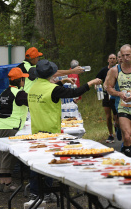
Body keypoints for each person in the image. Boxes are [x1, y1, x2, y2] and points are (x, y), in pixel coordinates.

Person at [28, 59, 101, 200]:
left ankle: (34, 193)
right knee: (49, 164)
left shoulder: (34, 87)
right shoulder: (52, 89)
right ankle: (47, 193)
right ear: (51, 74)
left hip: (36, 131)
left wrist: (62, 82)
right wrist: (90, 83)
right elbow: (74, 92)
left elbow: (50, 90)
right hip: (50, 132)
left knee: (36, 163)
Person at [0, 68, 29, 193]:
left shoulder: (4, 92)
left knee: (2, 155)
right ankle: (7, 184)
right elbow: (33, 102)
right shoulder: (19, 94)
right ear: (20, 80)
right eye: (23, 78)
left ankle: (2, 182)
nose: (24, 81)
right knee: (9, 156)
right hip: (10, 128)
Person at [17, 47, 84, 93]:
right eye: (38, 57)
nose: (38, 59)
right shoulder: (28, 67)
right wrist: (72, 71)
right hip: (28, 97)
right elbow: (53, 73)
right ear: (34, 58)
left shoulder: (32, 65)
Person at [97, 54, 118, 143]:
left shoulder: (119, 69)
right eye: (110, 58)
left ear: (116, 60)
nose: (112, 60)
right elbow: (97, 80)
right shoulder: (104, 70)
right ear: (108, 60)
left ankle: (117, 126)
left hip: (116, 95)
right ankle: (110, 134)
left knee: (116, 117)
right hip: (106, 95)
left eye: (114, 58)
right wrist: (97, 86)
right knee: (108, 116)